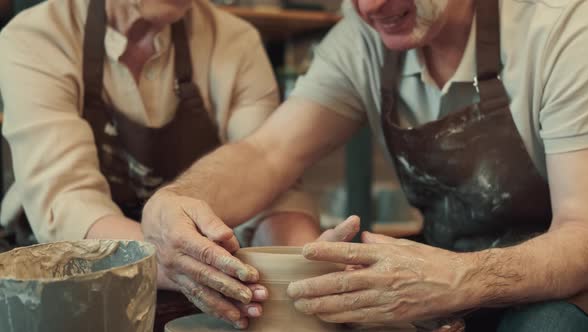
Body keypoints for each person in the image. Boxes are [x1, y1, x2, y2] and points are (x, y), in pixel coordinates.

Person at [141, 0, 588, 330]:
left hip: (563, 289)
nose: (371, 5)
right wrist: (179, 199)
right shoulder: (363, 38)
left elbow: (582, 235)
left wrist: (462, 277)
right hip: (447, 295)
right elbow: (267, 154)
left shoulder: (563, 30)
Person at [0, 0, 343, 329]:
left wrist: (299, 264)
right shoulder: (37, 37)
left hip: (211, 287)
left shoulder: (235, 41)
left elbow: (269, 173)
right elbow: (68, 201)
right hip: (69, 288)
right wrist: (188, 265)